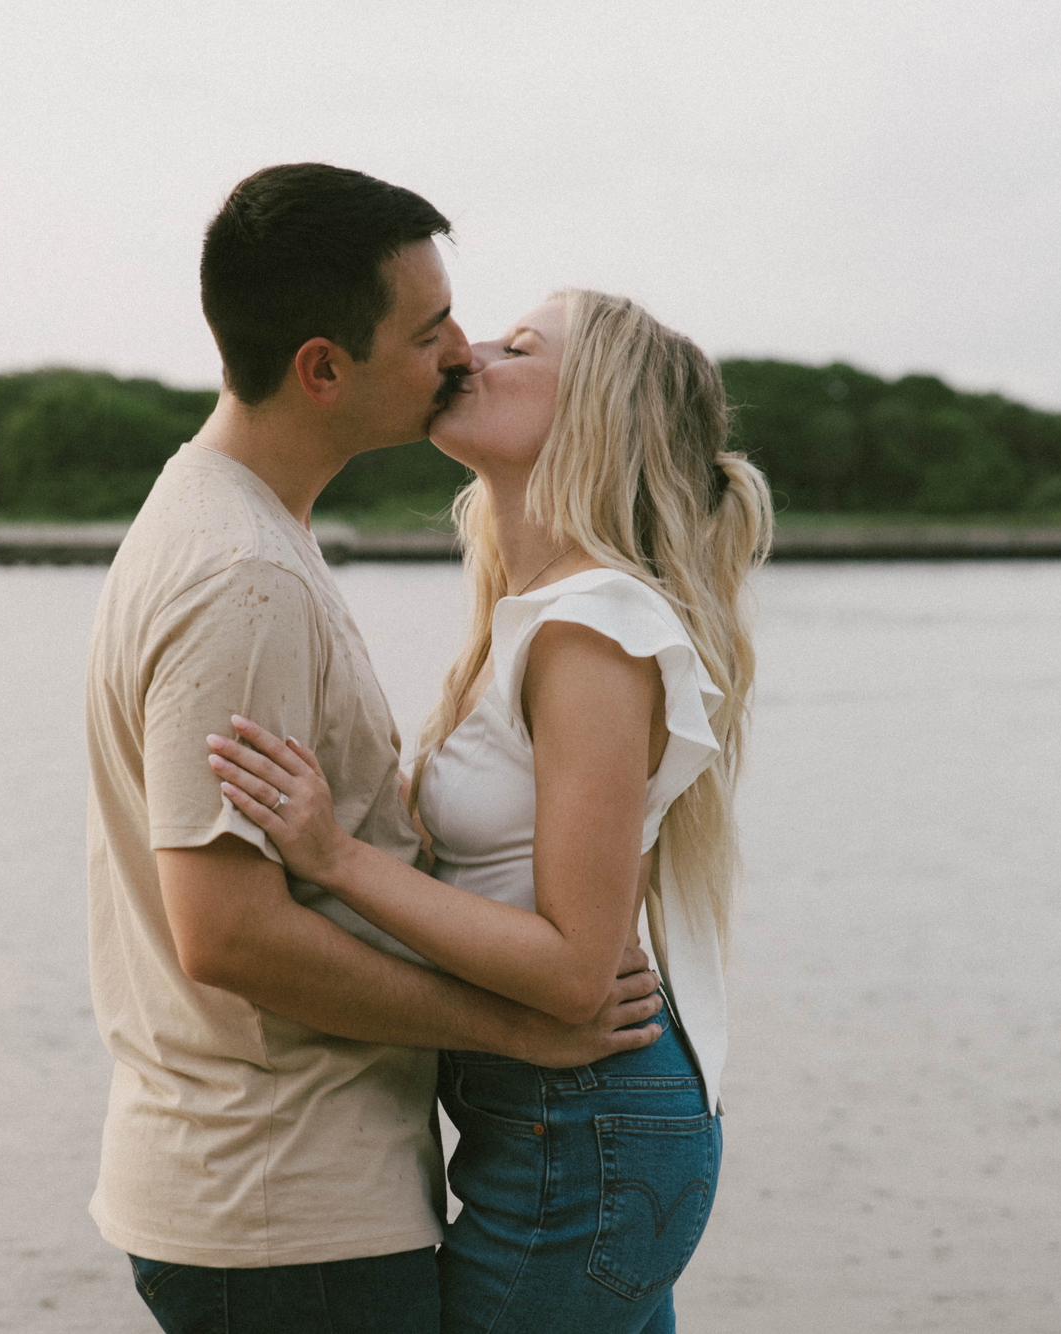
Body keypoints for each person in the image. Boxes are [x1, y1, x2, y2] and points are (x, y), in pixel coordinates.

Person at [85, 165, 665, 1334]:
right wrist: (515, 1027)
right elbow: (227, 930)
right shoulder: (240, 575)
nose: (459, 351)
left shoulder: (243, 528)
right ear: (321, 368)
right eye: (427, 329)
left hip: (291, 1193)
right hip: (283, 1205)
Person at [209, 287, 774, 1332]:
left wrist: (334, 857)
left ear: (595, 412)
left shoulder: (593, 629)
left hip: (585, 1124)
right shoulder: (534, 619)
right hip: (565, 1121)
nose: (470, 351)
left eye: (520, 348)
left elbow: (572, 969)